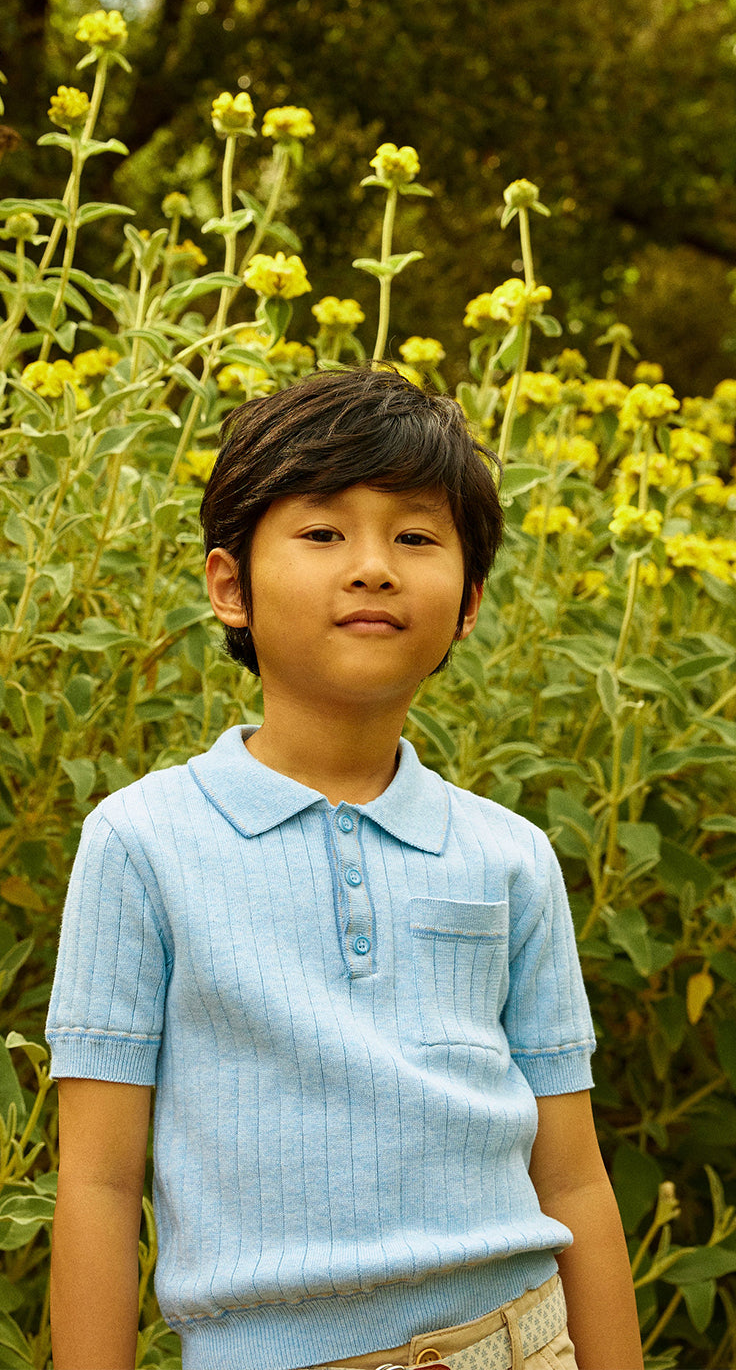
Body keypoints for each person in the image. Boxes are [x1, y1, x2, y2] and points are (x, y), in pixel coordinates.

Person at [46, 366, 642, 1370]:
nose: (373, 567)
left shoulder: (510, 857)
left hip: (519, 1344)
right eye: (323, 534)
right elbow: (98, 1185)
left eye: (415, 537)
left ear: (469, 603)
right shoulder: (142, 843)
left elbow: (574, 1179)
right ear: (229, 586)